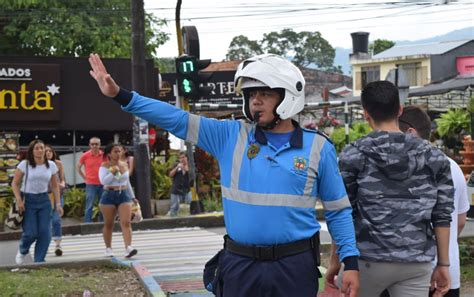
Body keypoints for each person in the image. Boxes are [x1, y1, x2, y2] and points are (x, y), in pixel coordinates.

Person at [89, 53, 359, 297]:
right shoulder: (230, 136)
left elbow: (338, 211)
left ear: (288, 97)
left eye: (265, 93)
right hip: (240, 265)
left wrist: (351, 262)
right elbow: (177, 119)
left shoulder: (318, 147)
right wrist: (121, 95)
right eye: (252, 94)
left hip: (294, 267)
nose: (255, 100)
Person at [326, 80, 454, 297]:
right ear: (400, 109)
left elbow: (342, 212)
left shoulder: (353, 154)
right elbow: (442, 215)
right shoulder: (434, 156)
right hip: (416, 262)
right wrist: (443, 264)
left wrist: (336, 262)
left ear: (366, 114)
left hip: (367, 260)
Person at [398, 105, 470, 297]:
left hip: (412, 275)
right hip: (447, 272)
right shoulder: (453, 166)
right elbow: (460, 221)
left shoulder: (402, 170)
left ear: (410, 133)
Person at [12, 139, 64, 264]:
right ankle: (23, 250)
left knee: (45, 233)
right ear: (32, 151)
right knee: (30, 233)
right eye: (37, 148)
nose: (40, 150)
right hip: (28, 200)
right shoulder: (25, 164)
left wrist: (58, 204)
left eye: (42, 148)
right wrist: (19, 200)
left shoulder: (51, 165)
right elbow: (14, 184)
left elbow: (55, 185)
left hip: (44, 200)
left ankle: (39, 261)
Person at [99, 143, 137, 258]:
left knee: (126, 222)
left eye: (120, 151)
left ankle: (128, 247)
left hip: (123, 193)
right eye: (115, 151)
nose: (118, 153)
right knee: (109, 223)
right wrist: (113, 172)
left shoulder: (124, 165)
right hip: (109, 194)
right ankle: (108, 248)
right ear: (109, 154)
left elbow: (127, 181)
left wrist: (132, 196)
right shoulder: (104, 166)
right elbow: (103, 181)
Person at [45, 144, 67, 256]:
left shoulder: (58, 163)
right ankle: (45, 244)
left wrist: (61, 184)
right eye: (46, 151)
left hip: (57, 195)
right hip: (44, 196)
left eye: (50, 151)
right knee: (46, 222)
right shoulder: (40, 165)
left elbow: (63, 179)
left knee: (56, 220)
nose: (48, 153)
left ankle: (58, 245)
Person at [77, 137, 103, 223]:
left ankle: (102, 223)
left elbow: (109, 167)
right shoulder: (85, 155)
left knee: (102, 205)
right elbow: (78, 167)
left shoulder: (103, 155)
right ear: (89, 145)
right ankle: (87, 224)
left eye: (96, 144)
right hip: (90, 184)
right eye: (92, 144)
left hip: (102, 183)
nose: (94, 146)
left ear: (99, 145)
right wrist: (85, 178)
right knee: (89, 205)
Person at [167, 152, 192, 217]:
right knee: (174, 206)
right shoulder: (176, 165)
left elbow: (191, 174)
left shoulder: (190, 165)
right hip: (176, 189)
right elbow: (170, 174)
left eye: (183, 157)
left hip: (187, 189)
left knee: (191, 203)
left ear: (187, 158)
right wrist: (176, 168)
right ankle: (173, 220)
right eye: (180, 158)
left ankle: (191, 218)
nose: (182, 159)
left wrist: (184, 167)